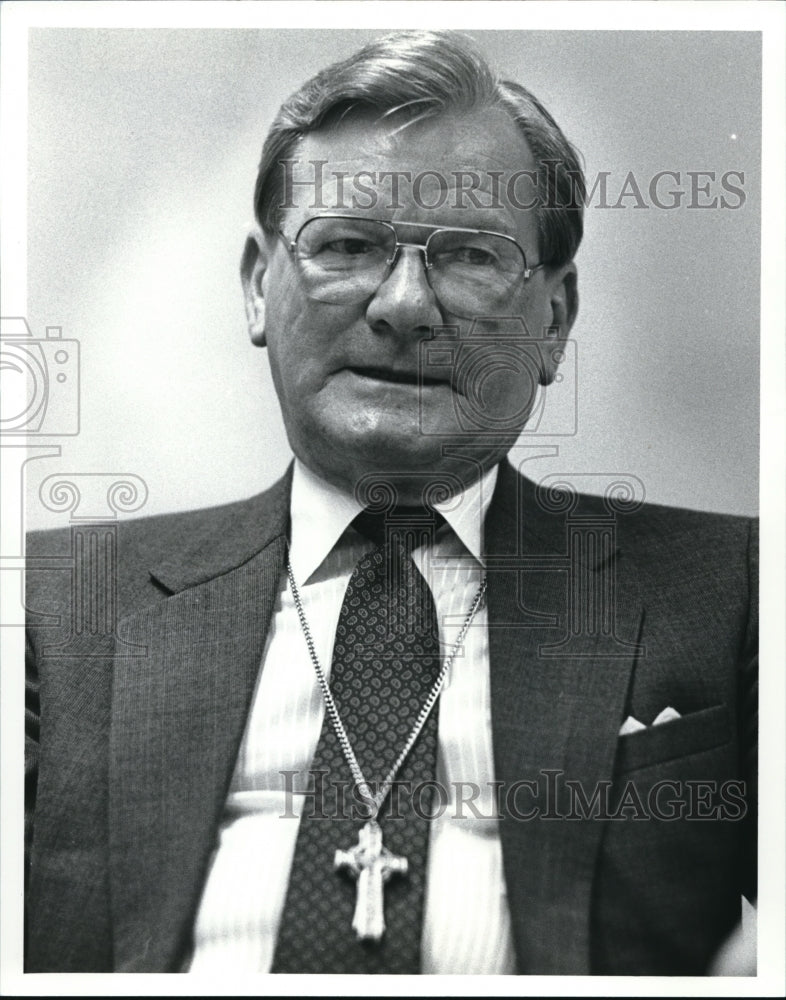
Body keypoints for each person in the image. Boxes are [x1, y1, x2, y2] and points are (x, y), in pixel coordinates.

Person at [24, 30, 757, 975]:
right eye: (348, 244)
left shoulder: (737, 589)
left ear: (555, 322)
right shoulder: (53, 606)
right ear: (258, 286)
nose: (405, 303)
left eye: (469, 256)